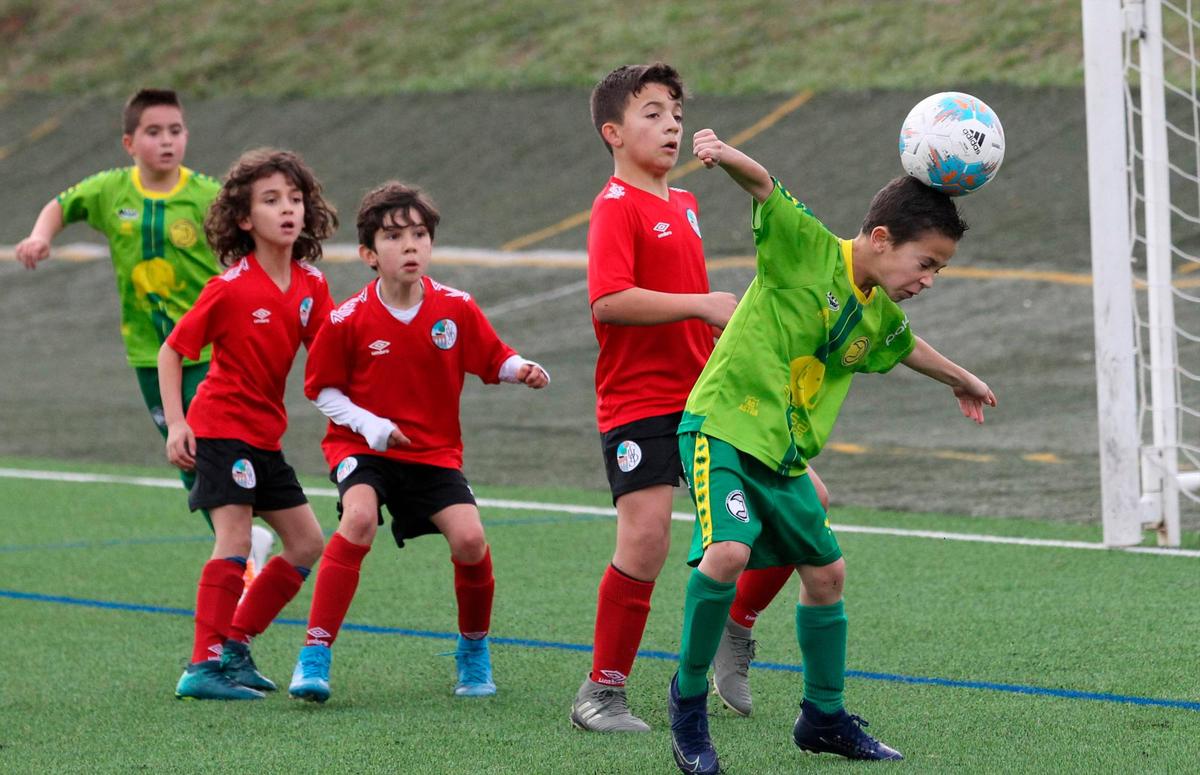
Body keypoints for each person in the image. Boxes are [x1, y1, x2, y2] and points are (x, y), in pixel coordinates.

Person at [666, 127, 997, 773]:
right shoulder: (806, 248)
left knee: (827, 573)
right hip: (720, 426)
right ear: (880, 239)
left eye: (939, 269)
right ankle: (685, 707)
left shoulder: (875, 311)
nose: (928, 279)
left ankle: (822, 716)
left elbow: (905, 345)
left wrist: (963, 377)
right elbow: (765, 186)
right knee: (728, 549)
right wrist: (724, 152)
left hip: (783, 453)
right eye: (925, 263)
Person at [287, 181, 549, 704]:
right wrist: (373, 426)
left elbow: (492, 356)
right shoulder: (347, 319)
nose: (410, 246)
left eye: (420, 234)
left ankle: (473, 648)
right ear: (368, 254)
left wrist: (521, 369)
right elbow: (321, 390)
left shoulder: (456, 307)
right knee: (358, 521)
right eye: (393, 236)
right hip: (362, 449)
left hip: (433, 453)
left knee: (471, 541)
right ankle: (315, 652)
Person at [13, 88, 275, 578]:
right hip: (148, 353)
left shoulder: (205, 194)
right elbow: (60, 204)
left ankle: (238, 551)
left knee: (210, 440)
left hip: (210, 348)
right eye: (153, 132)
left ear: (186, 136)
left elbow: (250, 236)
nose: (166, 141)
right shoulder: (112, 190)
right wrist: (39, 237)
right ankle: (244, 540)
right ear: (130, 143)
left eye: (175, 130)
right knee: (185, 453)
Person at [570, 63, 739, 733]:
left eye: (675, 111)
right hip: (640, 402)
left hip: (707, 398)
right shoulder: (616, 205)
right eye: (651, 112)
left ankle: (735, 628)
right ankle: (601, 692)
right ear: (613, 132)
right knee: (644, 542)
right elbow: (609, 301)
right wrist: (702, 304)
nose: (670, 124)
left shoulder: (686, 206)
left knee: (793, 505)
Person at [159, 148, 338, 700]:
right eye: (270, 201)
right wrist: (176, 424)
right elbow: (173, 351)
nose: (288, 210)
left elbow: (333, 358)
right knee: (234, 536)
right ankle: (203, 665)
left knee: (307, 543)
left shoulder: (311, 286)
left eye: (295, 199)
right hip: (218, 428)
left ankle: (235, 645)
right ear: (244, 218)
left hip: (264, 437)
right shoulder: (230, 287)